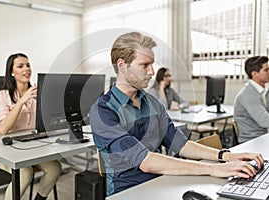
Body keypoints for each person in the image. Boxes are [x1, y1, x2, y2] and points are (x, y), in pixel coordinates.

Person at [89, 32, 264, 196]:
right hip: (128, 191)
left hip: (163, 180)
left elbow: (180, 144)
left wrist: (224, 156)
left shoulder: (152, 103)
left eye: (152, 65)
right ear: (122, 66)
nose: (151, 72)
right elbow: (145, 161)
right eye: (144, 65)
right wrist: (213, 169)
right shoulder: (103, 111)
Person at [0, 53, 61, 200]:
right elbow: (3, 129)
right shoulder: (3, 95)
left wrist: (48, 102)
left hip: (31, 147)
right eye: (20, 66)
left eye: (28, 65)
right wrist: (21, 102)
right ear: (12, 72)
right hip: (7, 149)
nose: (27, 69)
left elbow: (48, 123)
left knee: (55, 168)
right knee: (25, 172)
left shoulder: (38, 93)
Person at [234, 56, 269, 143]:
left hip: (262, 137)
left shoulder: (263, 91)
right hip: (251, 141)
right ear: (254, 74)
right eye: (266, 70)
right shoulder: (247, 94)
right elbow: (265, 121)